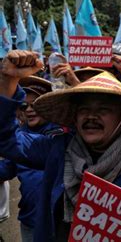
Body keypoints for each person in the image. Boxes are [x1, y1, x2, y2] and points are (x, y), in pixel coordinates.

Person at [0, 50, 121, 241]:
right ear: (75, 116)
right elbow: (8, 141)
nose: (91, 117)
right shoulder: (57, 150)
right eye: (84, 110)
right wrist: (8, 81)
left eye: (103, 110)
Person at [0, 76, 63, 242]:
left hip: (59, 223)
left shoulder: (61, 137)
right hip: (29, 221)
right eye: (24, 106)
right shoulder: (17, 139)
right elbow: (5, 169)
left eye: (35, 105)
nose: (29, 110)